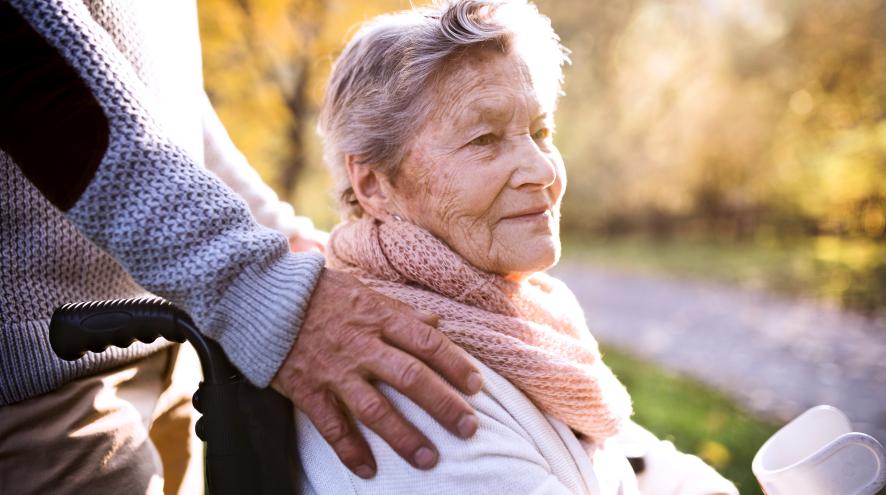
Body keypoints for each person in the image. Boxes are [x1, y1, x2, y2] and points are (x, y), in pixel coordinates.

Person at [0, 0, 485, 493]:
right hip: (43, 381)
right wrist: (247, 280)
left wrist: (271, 228)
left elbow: (154, 91)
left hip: (176, 346)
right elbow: (35, 64)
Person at [297, 1, 741, 493]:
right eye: (484, 138)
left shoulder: (509, 319)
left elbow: (626, 456)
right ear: (374, 184)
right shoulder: (406, 380)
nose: (544, 171)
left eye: (540, 131)